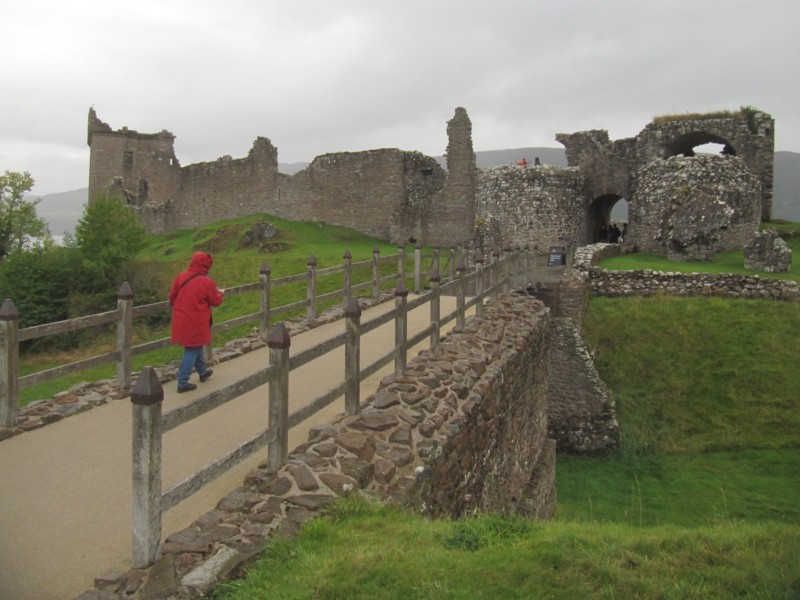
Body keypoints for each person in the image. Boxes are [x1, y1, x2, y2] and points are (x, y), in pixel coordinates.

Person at [169, 252, 225, 393]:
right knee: (192, 348)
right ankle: (182, 381)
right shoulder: (206, 281)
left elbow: (172, 297)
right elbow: (215, 300)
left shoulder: (181, 276)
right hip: (196, 320)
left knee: (196, 345)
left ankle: (202, 371)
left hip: (181, 317)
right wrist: (220, 293)